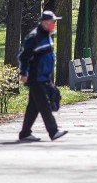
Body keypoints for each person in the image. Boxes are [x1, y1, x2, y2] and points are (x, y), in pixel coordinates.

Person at [17, 10, 68, 142]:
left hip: (43, 77)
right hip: (35, 78)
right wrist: (24, 73)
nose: (54, 24)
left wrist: (49, 78)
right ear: (45, 23)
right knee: (44, 105)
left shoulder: (48, 36)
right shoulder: (34, 37)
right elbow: (24, 57)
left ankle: (25, 133)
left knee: (33, 107)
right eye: (52, 22)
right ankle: (53, 131)